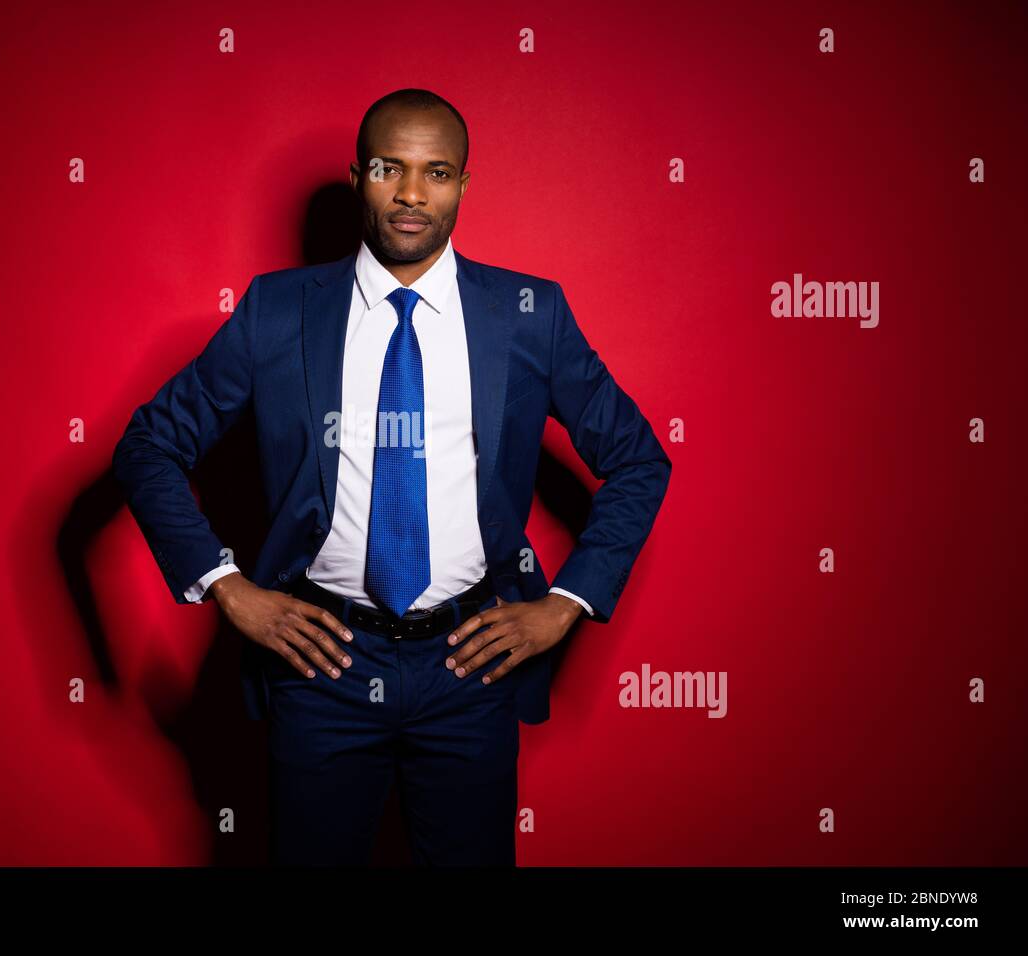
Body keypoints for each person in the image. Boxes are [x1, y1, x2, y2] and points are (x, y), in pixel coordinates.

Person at [112, 88, 671, 865]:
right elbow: (148, 445)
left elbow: (640, 458)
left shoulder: (527, 314)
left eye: (437, 172)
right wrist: (226, 585)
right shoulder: (278, 310)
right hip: (321, 664)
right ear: (357, 177)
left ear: (464, 184)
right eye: (389, 169)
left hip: (470, 665)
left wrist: (565, 603)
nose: (412, 194)